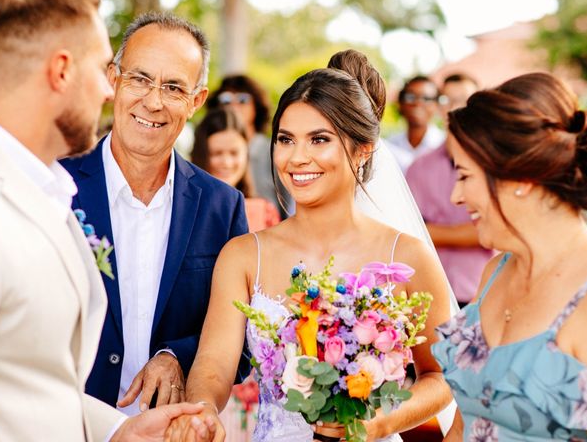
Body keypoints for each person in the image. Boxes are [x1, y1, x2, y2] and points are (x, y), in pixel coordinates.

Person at [0, 0, 215, 441]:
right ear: (60, 72)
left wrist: (120, 430)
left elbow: (29, 382)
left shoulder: (42, 188)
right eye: (102, 70)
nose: (108, 90)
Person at [166, 58, 454, 442]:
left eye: (319, 139)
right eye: (285, 139)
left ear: (362, 149)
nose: (297, 157)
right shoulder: (243, 255)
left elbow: (442, 376)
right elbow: (215, 363)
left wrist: (379, 422)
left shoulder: (408, 256)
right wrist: (202, 408)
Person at [61, 12, 250, 417]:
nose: (154, 101)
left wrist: (176, 356)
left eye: (173, 87)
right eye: (140, 79)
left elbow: (243, 336)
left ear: (196, 101)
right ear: (114, 78)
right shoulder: (56, 184)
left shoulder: (222, 206)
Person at [432, 72, 587, 441]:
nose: (456, 197)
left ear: (519, 179)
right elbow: (460, 427)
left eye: (465, 176)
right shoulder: (494, 274)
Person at [406, 73, 492, 307]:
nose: (456, 108)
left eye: (464, 99)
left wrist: (430, 232)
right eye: (447, 100)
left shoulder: (493, 164)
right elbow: (407, 232)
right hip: (432, 295)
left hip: (481, 293)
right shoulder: (419, 168)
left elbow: (490, 231)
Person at [207, 74, 292, 217]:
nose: (234, 105)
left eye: (242, 99)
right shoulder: (206, 147)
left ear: (256, 106)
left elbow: (290, 206)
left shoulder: (274, 151)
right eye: (226, 99)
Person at [191, 107, 280, 232]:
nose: (226, 163)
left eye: (234, 153)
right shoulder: (184, 209)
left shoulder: (264, 212)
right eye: (216, 153)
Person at [386, 76, 445, 173]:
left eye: (426, 98)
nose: (418, 103)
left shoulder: (444, 146)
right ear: (400, 104)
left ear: (437, 106)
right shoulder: (389, 146)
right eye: (410, 97)